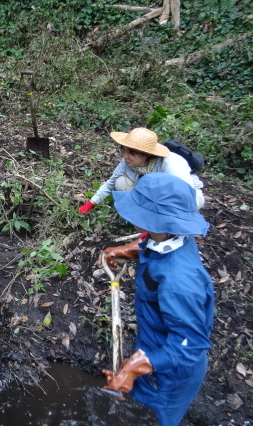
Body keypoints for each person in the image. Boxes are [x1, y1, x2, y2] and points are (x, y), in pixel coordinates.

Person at [96, 172, 213, 426]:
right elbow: (154, 244)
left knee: (153, 419)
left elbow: (190, 345)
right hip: (152, 343)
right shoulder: (170, 235)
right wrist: (126, 250)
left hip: (171, 371)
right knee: (130, 401)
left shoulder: (179, 283)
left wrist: (133, 367)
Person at [79, 127, 205, 213]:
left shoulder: (169, 163)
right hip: (154, 194)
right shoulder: (126, 162)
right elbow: (110, 183)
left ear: (147, 154)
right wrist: (91, 204)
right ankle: (142, 212)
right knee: (120, 182)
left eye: (131, 153)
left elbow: (183, 192)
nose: (125, 156)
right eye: (123, 150)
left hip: (186, 196)